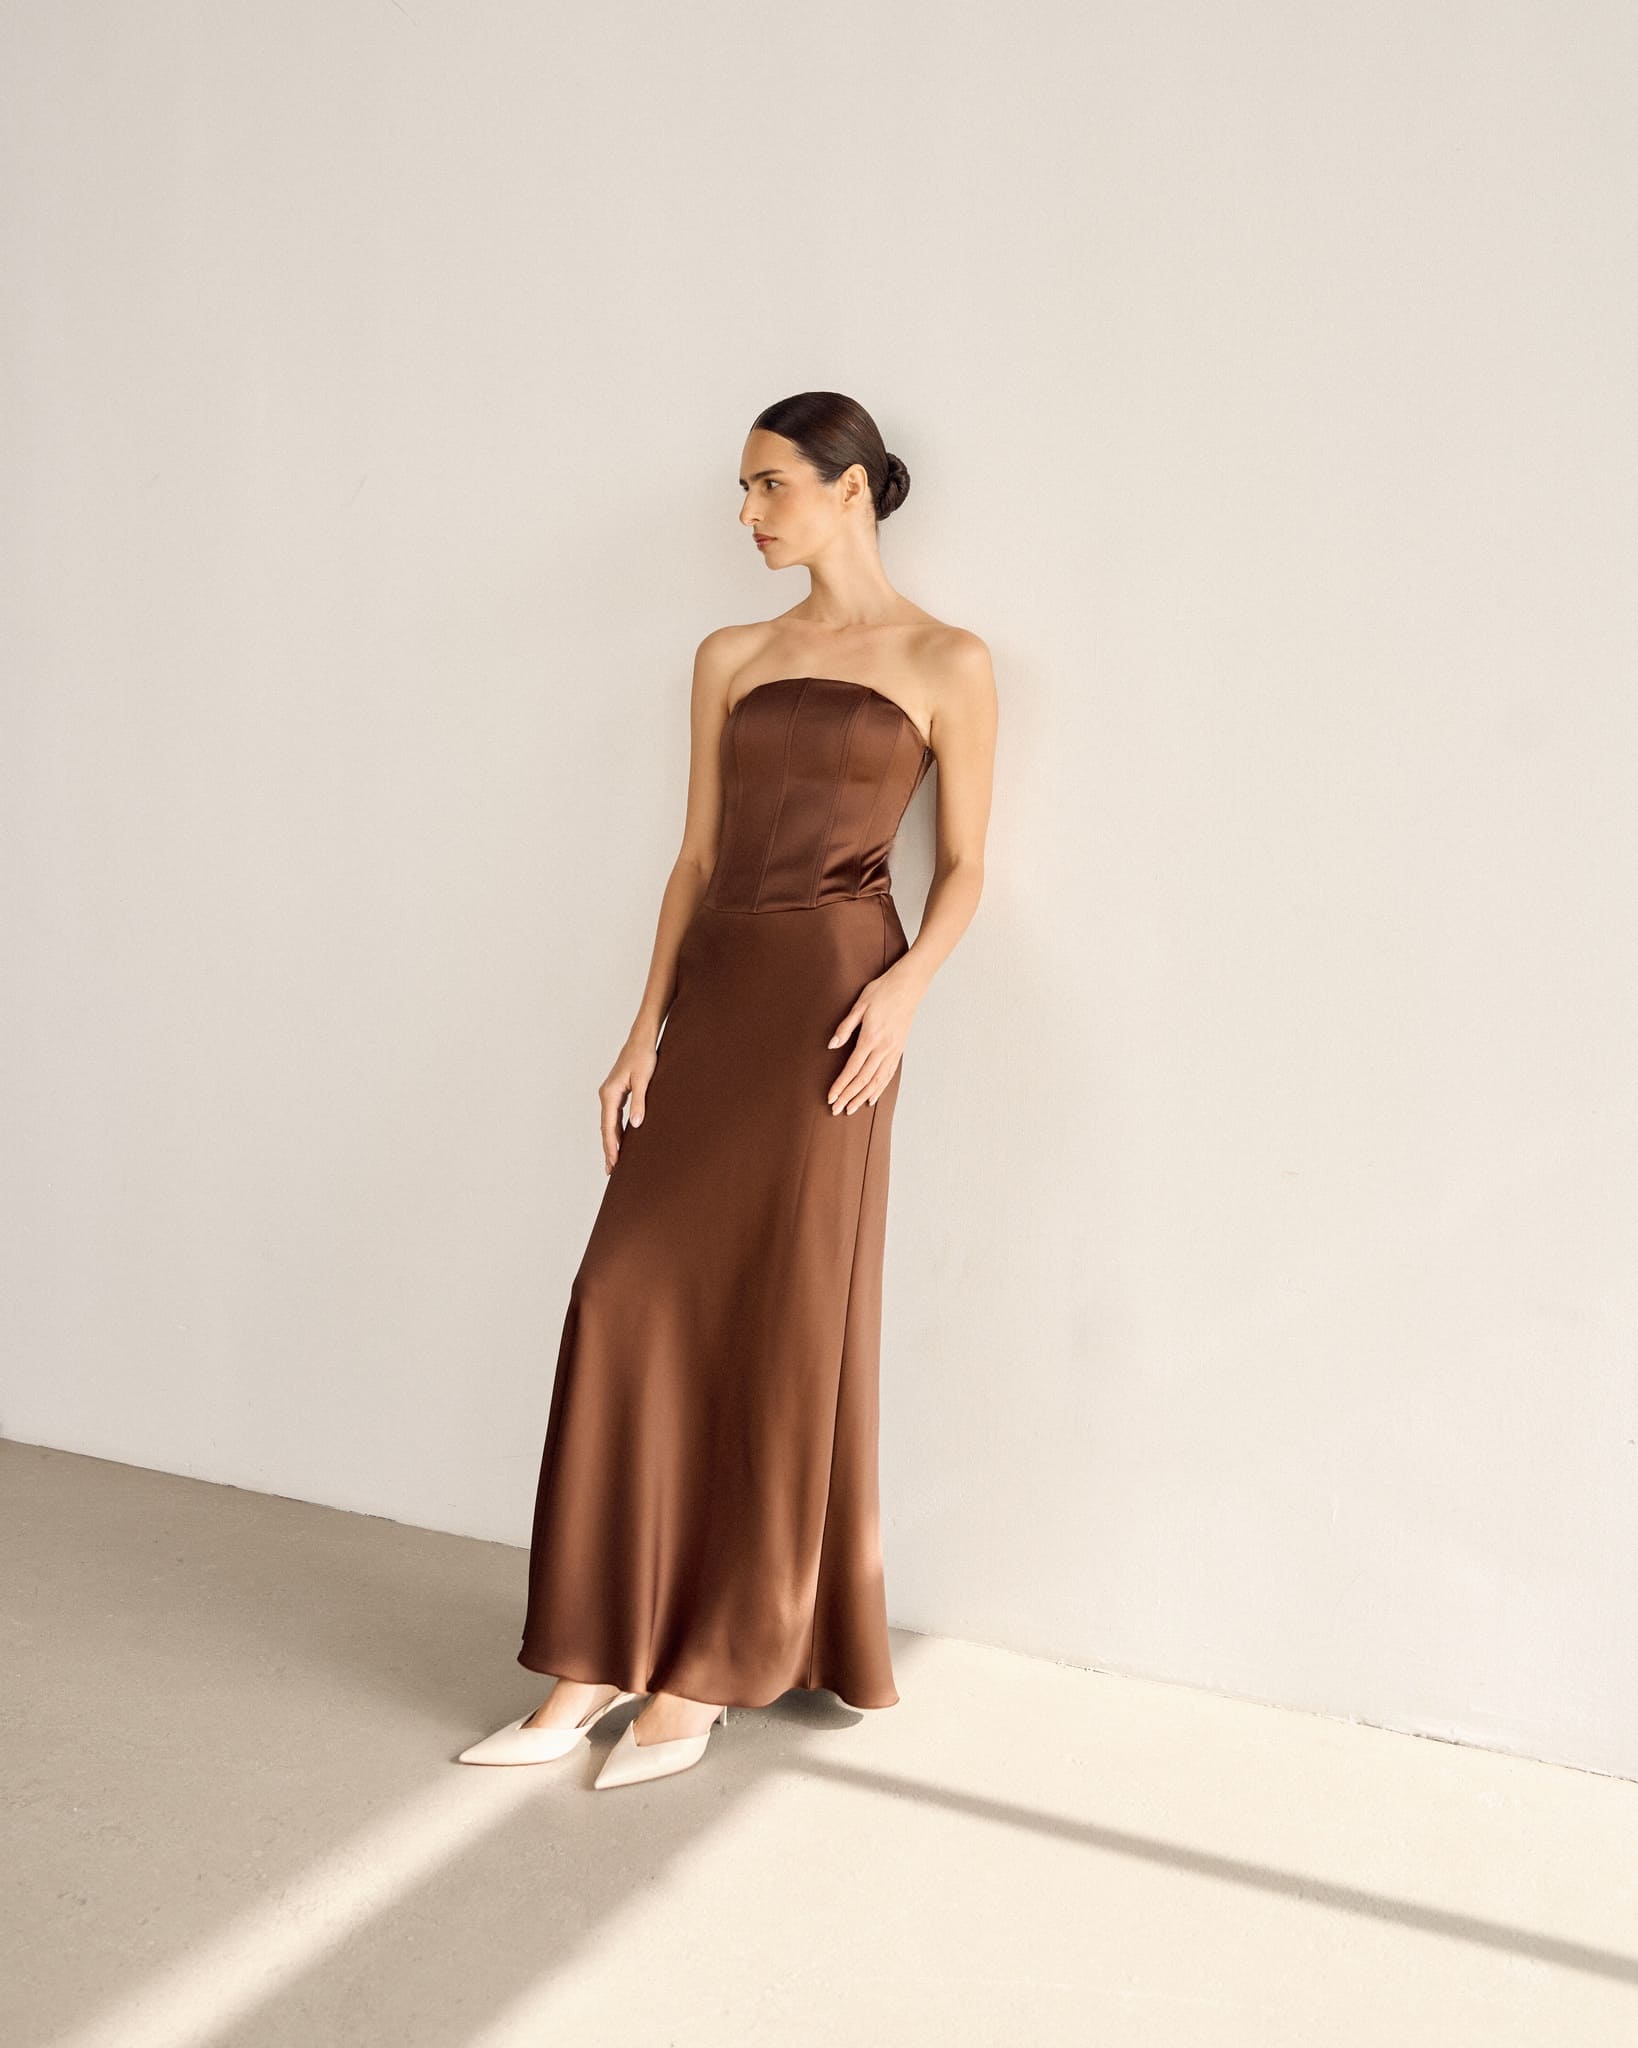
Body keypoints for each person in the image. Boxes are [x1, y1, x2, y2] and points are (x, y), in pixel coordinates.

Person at [459, 390, 997, 1787]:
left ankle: (706, 1674)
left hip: (836, 1011)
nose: (747, 515)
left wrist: (905, 986)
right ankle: (591, 1656)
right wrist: (643, 1031)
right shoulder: (729, 654)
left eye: (769, 486)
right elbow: (696, 860)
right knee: (624, 1292)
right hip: (719, 1003)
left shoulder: (947, 659)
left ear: (850, 491)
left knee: (777, 1320)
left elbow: (969, 867)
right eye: (743, 491)